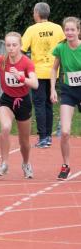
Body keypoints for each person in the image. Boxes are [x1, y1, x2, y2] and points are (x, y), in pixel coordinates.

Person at [0, 32, 38, 178]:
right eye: (8, 45)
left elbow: (35, 83)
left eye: (14, 45)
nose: (11, 48)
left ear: (20, 46)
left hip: (23, 101)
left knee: (24, 141)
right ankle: (4, 163)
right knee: (5, 127)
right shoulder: (2, 60)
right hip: (7, 99)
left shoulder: (26, 62)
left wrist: (21, 77)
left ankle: (26, 163)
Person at [22, 2, 65, 148]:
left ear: (37, 13)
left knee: (39, 104)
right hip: (54, 71)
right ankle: (47, 136)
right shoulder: (58, 28)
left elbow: (21, 49)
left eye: (34, 12)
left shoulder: (32, 30)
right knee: (48, 104)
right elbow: (64, 46)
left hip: (38, 72)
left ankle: (43, 137)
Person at [50, 16, 81, 180]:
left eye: (72, 29)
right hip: (68, 90)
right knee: (65, 132)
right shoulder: (61, 48)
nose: (69, 32)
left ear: (78, 31)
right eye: (67, 29)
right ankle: (66, 165)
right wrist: (52, 89)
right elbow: (54, 69)